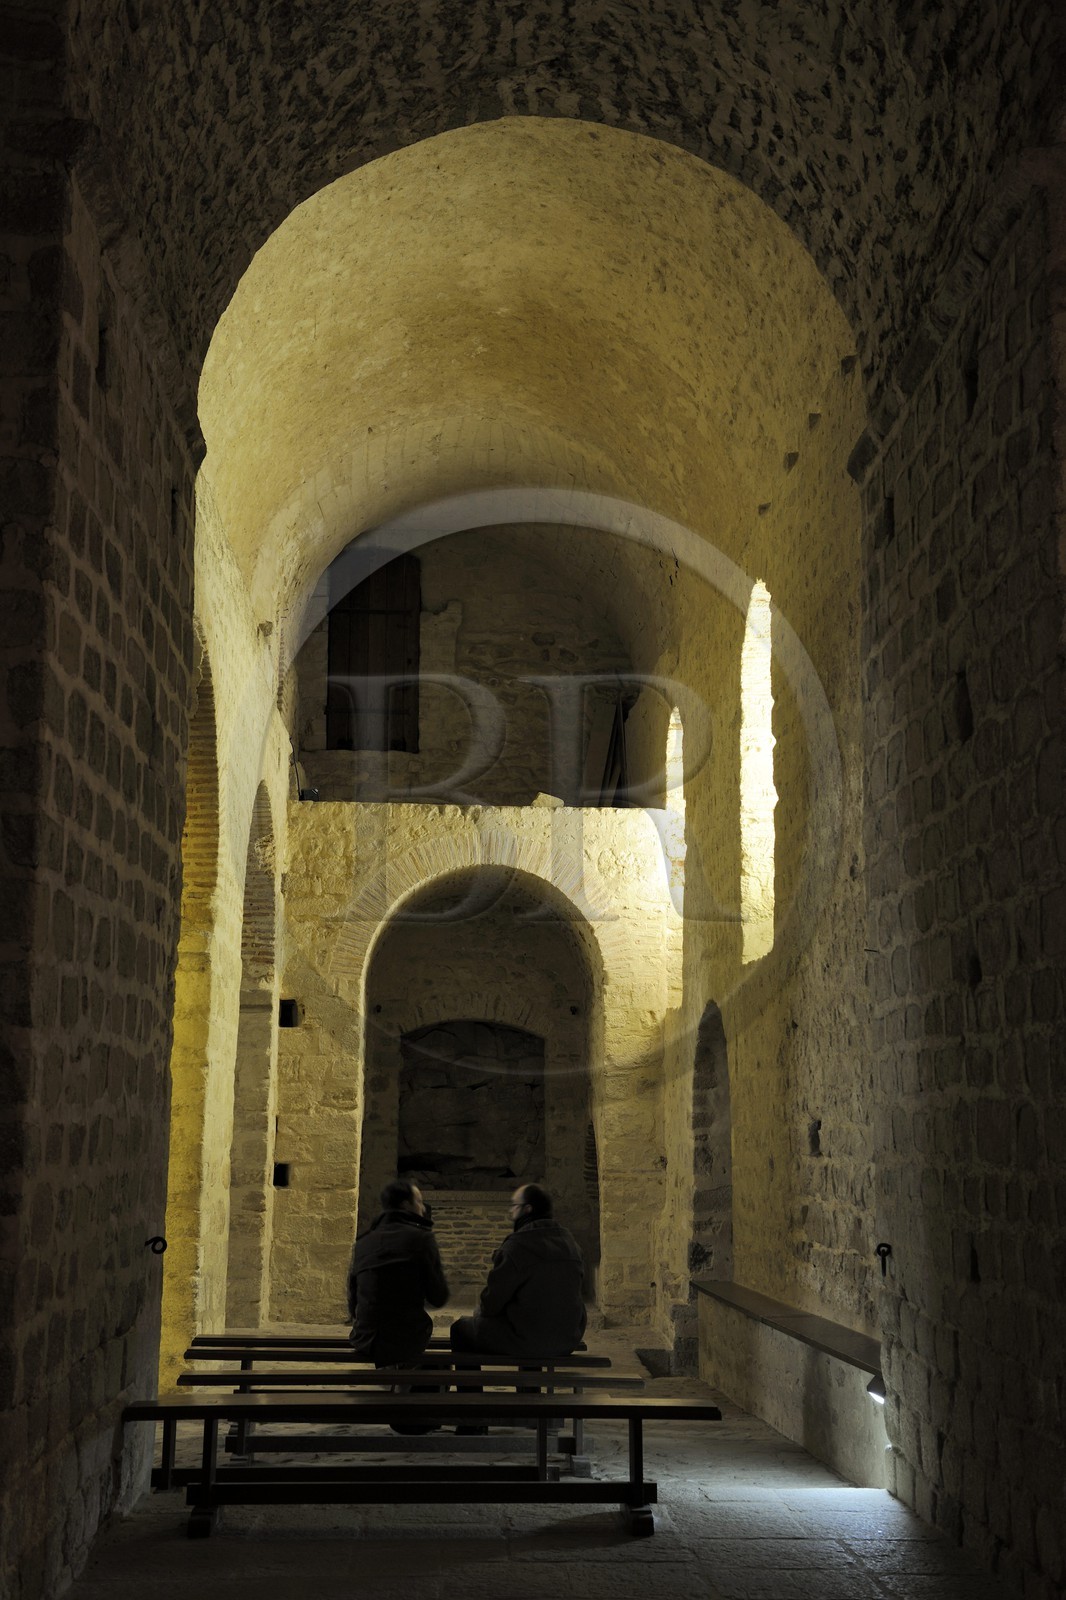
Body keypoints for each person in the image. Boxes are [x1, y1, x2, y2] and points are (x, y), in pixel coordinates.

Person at [450, 1182, 586, 1359]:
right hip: (568, 1338)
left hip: (529, 1341)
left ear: (527, 1209)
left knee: (460, 1329)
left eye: (514, 1206)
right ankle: (531, 1387)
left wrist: (479, 1315)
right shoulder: (572, 1245)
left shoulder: (518, 1246)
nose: (510, 1212)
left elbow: (491, 1304)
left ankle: (472, 1386)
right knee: (529, 1321)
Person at [347, 1178, 449, 1365]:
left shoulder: (363, 1242)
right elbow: (439, 1297)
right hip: (405, 1341)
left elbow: (353, 1301)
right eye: (418, 1201)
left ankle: (398, 1385)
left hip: (365, 1338)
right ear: (405, 1205)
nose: (423, 1208)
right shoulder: (421, 1239)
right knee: (437, 1364)